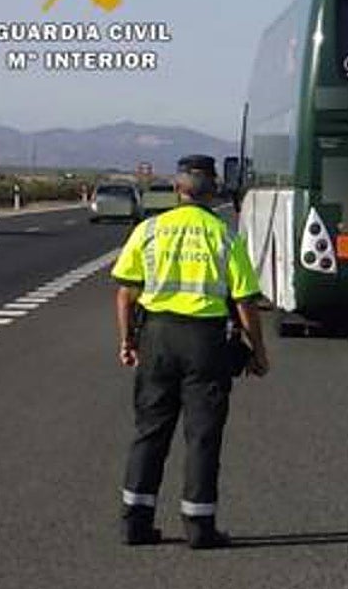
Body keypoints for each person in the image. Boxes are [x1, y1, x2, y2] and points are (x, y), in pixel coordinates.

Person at [110, 154, 269, 549]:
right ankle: (199, 526)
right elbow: (245, 300)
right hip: (205, 342)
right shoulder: (223, 236)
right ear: (213, 190)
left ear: (177, 189)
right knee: (202, 435)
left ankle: (135, 524)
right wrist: (258, 350)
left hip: (157, 337)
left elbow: (126, 293)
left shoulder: (149, 230)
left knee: (150, 431)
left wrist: (127, 341)